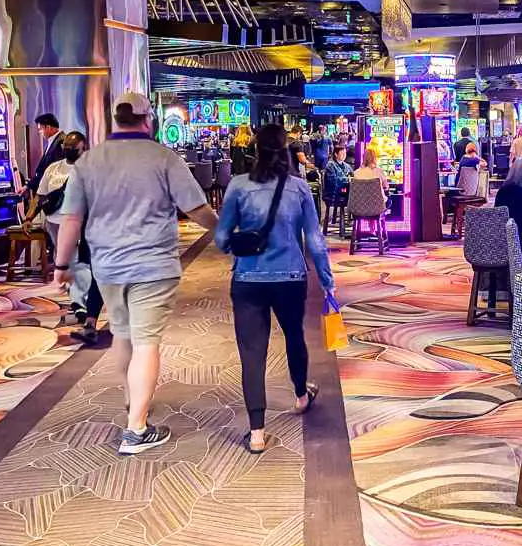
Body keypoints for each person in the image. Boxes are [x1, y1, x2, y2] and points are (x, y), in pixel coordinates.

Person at [54, 92, 219, 455]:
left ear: (115, 119)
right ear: (149, 120)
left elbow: (71, 219)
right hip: (152, 265)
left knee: (124, 336)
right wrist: (223, 232)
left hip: (107, 266)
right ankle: (136, 429)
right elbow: (196, 208)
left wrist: (61, 265)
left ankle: (134, 401)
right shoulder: (164, 158)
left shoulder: (88, 161)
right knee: (146, 343)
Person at [215, 125, 334, 454]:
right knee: (294, 336)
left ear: (255, 151)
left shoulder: (238, 186)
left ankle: (256, 431)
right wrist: (326, 281)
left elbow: (222, 239)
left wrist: (243, 240)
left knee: (252, 354)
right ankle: (300, 395)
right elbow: (315, 240)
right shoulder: (299, 189)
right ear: (285, 151)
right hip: (290, 278)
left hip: (248, 281)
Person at [28, 131, 106, 345]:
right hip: (57, 222)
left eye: (74, 148)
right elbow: (40, 195)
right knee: (70, 261)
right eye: (66, 148)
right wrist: (29, 217)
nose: (69, 151)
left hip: (85, 222)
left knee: (83, 263)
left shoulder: (94, 167)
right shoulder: (54, 168)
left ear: (84, 147)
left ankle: (82, 306)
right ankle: (81, 305)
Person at [27, 113, 64, 198]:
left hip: (53, 194)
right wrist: (28, 186)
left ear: (48, 127)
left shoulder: (61, 143)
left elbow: (55, 172)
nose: (40, 133)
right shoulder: (53, 141)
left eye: (41, 129)